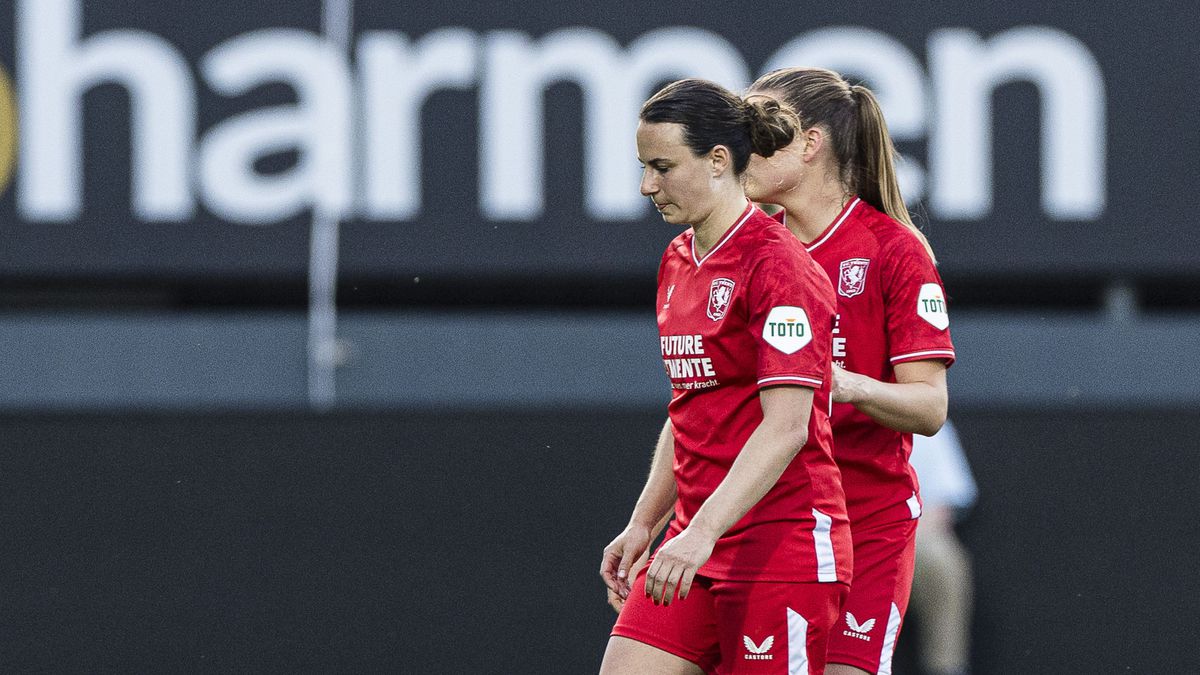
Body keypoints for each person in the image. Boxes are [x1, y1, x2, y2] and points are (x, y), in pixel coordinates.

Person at [598, 78, 853, 675]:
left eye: (662, 166)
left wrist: (701, 532)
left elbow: (787, 427)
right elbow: (690, 405)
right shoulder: (679, 258)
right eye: (643, 167)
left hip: (780, 546)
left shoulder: (780, 266)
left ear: (718, 161)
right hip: (695, 541)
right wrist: (646, 523)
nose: (646, 186)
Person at [741, 67, 956, 675]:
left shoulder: (893, 250)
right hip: (774, 519)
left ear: (808, 144)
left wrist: (836, 380)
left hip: (868, 520)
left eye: (760, 132)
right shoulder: (746, 251)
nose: (738, 150)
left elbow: (930, 406)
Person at [908, 420, 976, 675]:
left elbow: (942, 506)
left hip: (907, 535)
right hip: (837, 535)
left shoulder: (925, 417)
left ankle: (946, 668)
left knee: (942, 559)